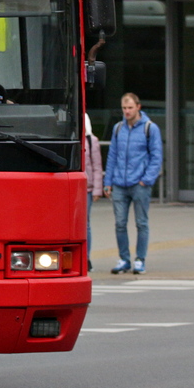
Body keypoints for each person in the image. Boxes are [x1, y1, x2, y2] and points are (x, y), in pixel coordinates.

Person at [104, 93, 163, 274]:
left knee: (141, 223)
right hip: (120, 184)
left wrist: (146, 180)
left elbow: (156, 156)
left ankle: (140, 259)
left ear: (138, 107)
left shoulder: (149, 128)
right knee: (120, 223)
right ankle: (124, 259)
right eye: (124, 108)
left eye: (130, 107)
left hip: (139, 184)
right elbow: (112, 155)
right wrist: (108, 182)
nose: (127, 111)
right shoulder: (118, 128)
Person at [83, 113, 104, 271]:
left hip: (88, 189)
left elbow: (97, 167)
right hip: (76, 187)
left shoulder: (92, 141)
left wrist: (98, 189)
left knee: (86, 224)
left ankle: (87, 258)